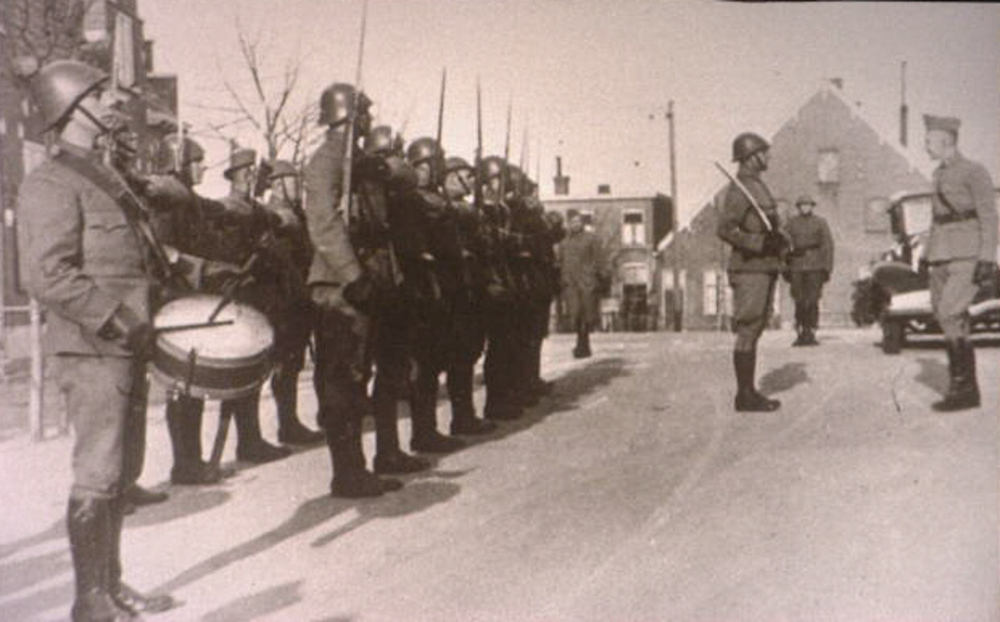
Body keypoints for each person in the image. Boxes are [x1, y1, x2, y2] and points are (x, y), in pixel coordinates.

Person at [19, 59, 182, 620]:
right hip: (92, 348)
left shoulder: (107, 178)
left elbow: (137, 260)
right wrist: (115, 318)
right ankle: (89, 601)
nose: (111, 102)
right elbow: (46, 275)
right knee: (98, 470)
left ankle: (110, 584)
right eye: (98, 94)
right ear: (71, 108)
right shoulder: (50, 183)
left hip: (125, 344)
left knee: (120, 471)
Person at [304, 82, 403, 497]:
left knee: (358, 378)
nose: (368, 121)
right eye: (363, 113)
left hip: (366, 281)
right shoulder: (327, 160)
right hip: (340, 286)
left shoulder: (359, 163)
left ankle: (358, 468)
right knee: (343, 380)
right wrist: (353, 275)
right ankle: (347, 473)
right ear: (348, 115)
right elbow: (323, 222)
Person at [211, 149, 293, 464]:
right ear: (232, 177)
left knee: (256, 369)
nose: (249, 177)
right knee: (241, 370)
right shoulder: (230, 207)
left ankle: (251, 439)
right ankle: (247, 442)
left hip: (262, 296)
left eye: (252, 172)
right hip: (242, 295)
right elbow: (226, 250)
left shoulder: (256, 209)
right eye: (243, 172)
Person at [922, 114, 998, 411]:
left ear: (946, 141)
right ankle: (968, 390)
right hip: (940, 254)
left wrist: (987, 258)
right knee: (948, 316)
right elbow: (937, 219)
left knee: (949, 312)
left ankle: (962, 387)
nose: (925, 146)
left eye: (929, 141)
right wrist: (927, 254)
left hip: (967, 254)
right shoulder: (938, 174)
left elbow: (989, 216)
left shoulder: (974, 171)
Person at [398, 137, 467, 453]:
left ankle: (428, 429)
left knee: (435, 360)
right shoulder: (411, 199)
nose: (435, 170)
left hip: (442, 285)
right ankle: (423, 432)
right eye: (431, 164)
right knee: (423, 364)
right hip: (422, 287)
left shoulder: (436, 200)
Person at [716, 132, 787, 412]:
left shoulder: (757, 186)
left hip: (764, 267)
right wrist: (759, 243)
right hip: (749, 269)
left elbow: (768, 228)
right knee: (748, 328)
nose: (768, 156)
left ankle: (748, 391)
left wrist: (779, 242)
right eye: (764, 152)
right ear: (751, 157)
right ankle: (744, 395)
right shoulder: (739, 189)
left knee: (755, 327)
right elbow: (725, 229)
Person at [263, 160, 326, 446]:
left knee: (294, 363)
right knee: (286, 365)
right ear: (278, 185)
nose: (299, 186)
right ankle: (287, 425)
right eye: (293, 181)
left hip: (298, 298)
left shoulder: (294, 213)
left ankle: (291, 423)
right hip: (285, 301)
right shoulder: (274, 215)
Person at [785, 194, 834, 346]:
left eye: (808, 205)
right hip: (797, 264)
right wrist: (785, 266)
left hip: (815, 265)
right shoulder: (791, 223)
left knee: (812, 299)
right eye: (802, 205)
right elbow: (784, 245)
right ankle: (800, 331)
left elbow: (828, 245)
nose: (805, 207)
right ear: (798, 207)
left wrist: (827, 267)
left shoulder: (820, 223)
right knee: (799, 299)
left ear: (812, 207)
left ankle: (811, 331)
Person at [559, 210, 604, 359]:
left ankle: (583, 344)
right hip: (571, 283)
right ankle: (581, 342)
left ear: (582, 223)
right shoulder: (564, 243)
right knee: (576, 313)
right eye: (572, 222)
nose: (575, 224)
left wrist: (594, 275)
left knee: (587, 314)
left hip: (587, 282)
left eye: (578, 221)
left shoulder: (591, 239)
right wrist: (564, 279)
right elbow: (561, 262)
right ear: (568, 224)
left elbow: (598, 259)